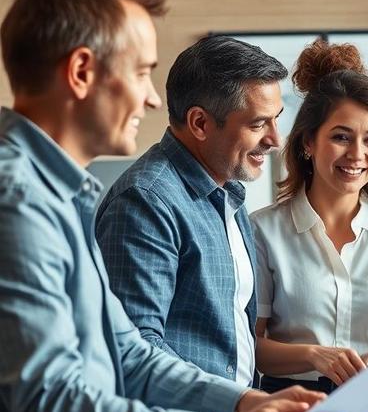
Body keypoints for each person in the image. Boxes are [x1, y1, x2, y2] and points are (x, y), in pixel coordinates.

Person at [0, 0, 351, 412]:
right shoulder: (17, 204)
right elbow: (51, 402)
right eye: (141, 71)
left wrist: (244, 406)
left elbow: (129, 355)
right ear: (81, 72)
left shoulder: (60, 195)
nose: (148, 95)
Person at [96, 35, 285, 387]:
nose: (276, 140)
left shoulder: (229, 194)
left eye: (277, 119)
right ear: (199, 123)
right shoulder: (145, 202)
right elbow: (136, 348)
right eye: (258, 124)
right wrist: (239, 403)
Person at [250, 40, 368, 394]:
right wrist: (315, 356)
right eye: (341, 137)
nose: (357, 155)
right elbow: (251, 346)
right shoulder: (262, 230)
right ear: (308, 142)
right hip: (291, 401)